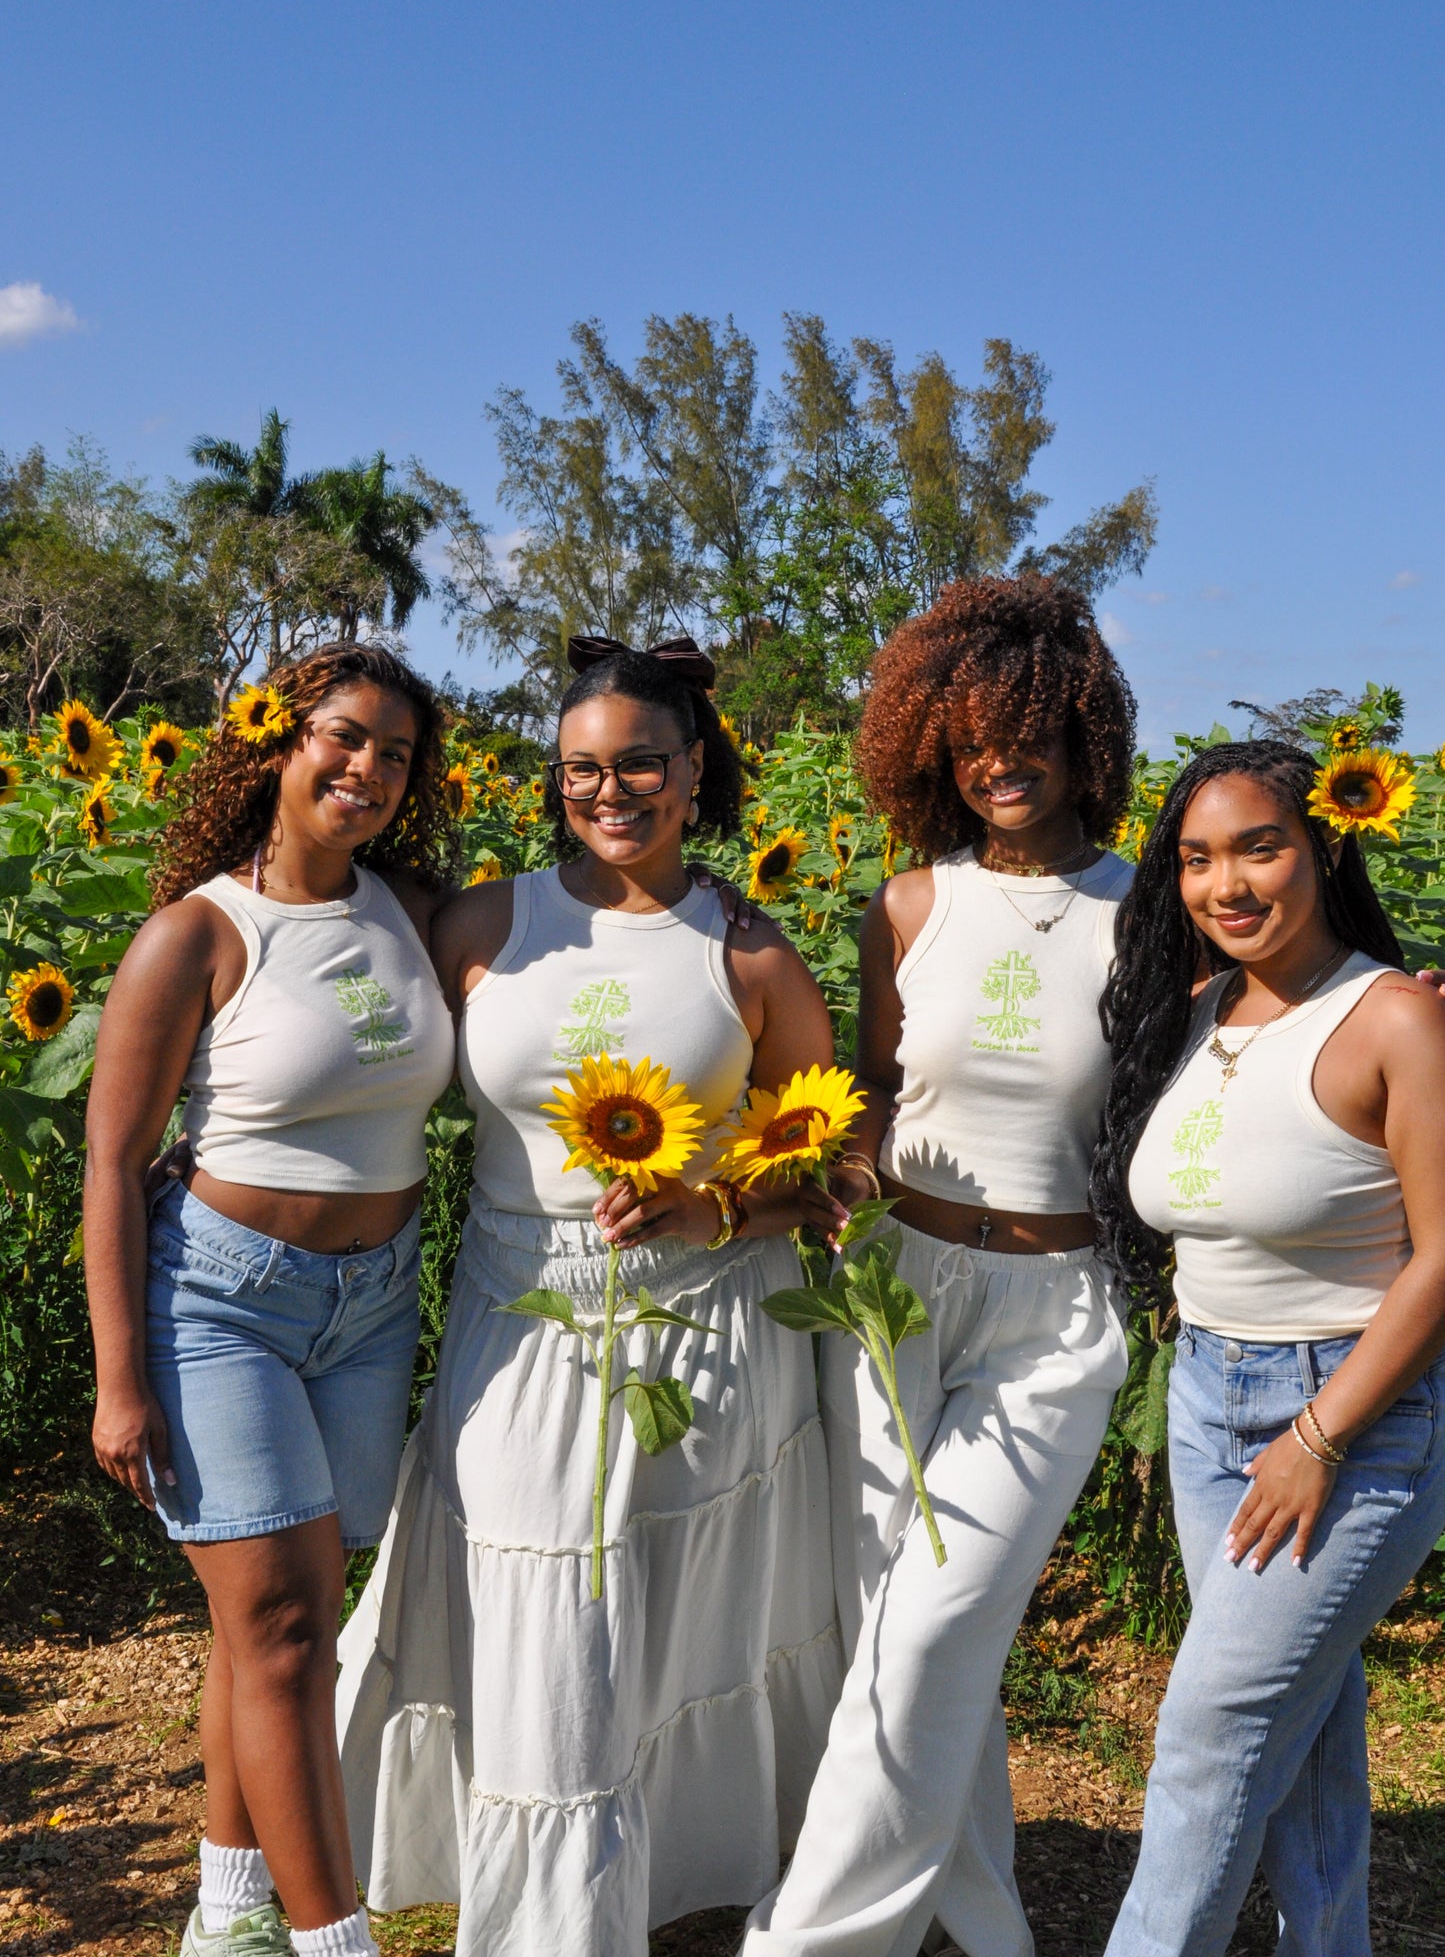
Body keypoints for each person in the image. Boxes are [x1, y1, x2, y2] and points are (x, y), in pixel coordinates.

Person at [336, 637, 847, 1957]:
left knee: (675, 1619)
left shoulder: (748, 954)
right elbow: (352, 1045)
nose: (608, 791)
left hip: (706, 1325)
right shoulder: (479, 923)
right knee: (544, 1612)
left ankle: (666, 1884)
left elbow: (834, 1165)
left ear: (693, 774)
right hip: (518, 1317)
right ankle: (552, 1921)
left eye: (637, 765)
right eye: (580, 769)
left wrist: (713, 1201)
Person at [744, 575, 1134, 1957]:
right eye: (967, 737)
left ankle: (806, 1941)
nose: (998, 761)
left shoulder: (1150, 913)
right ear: (931, 747)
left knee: (931, 1629)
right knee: (897, 1631)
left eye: (1027, 730)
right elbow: (873, 1088)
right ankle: (979, 1918)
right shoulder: (908, 905)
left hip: (1055, 1315)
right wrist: (835, 1171)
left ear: (1084, 735)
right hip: (894, 1287)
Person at [85, 645, 458, 1957]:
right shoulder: (196, 931)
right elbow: (117, 1165)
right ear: (279, 744)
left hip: (371, 1310)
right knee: (289, 1632)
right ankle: (331, 1944)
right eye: (343, 738)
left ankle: (227, 1918)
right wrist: (119, 1377)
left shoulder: (410, 909)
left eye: (396, 753)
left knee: (279, 1624)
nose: (367, 769)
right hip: (218, 1307)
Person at [1091, 738, 1445, 1956]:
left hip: (1348, 1418)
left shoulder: (1393, 1015)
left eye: (1258, 846)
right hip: (1204, 1402)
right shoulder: (1195, 1013)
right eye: (1194, 858)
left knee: (1208, 1733)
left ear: (1324, 844)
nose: (1224, 884)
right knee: (1294, 1734)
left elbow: (1440, 1258)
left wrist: (1315, 1435)